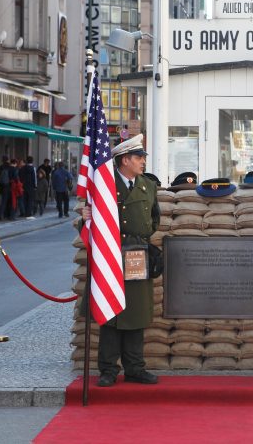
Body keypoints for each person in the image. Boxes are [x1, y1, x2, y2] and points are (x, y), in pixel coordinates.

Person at [82, 134, 160, 387]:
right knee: (111, 312)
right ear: (125, 160)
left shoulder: (148, 186)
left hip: (136, 253)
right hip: (111, 254)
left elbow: (154, 220)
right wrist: (86, 219)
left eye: (143, 158)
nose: (143, 163)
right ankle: (108, 369)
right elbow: (90, 220)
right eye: (139, 158)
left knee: (136, 313)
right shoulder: (104, 185)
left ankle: (135, 367)